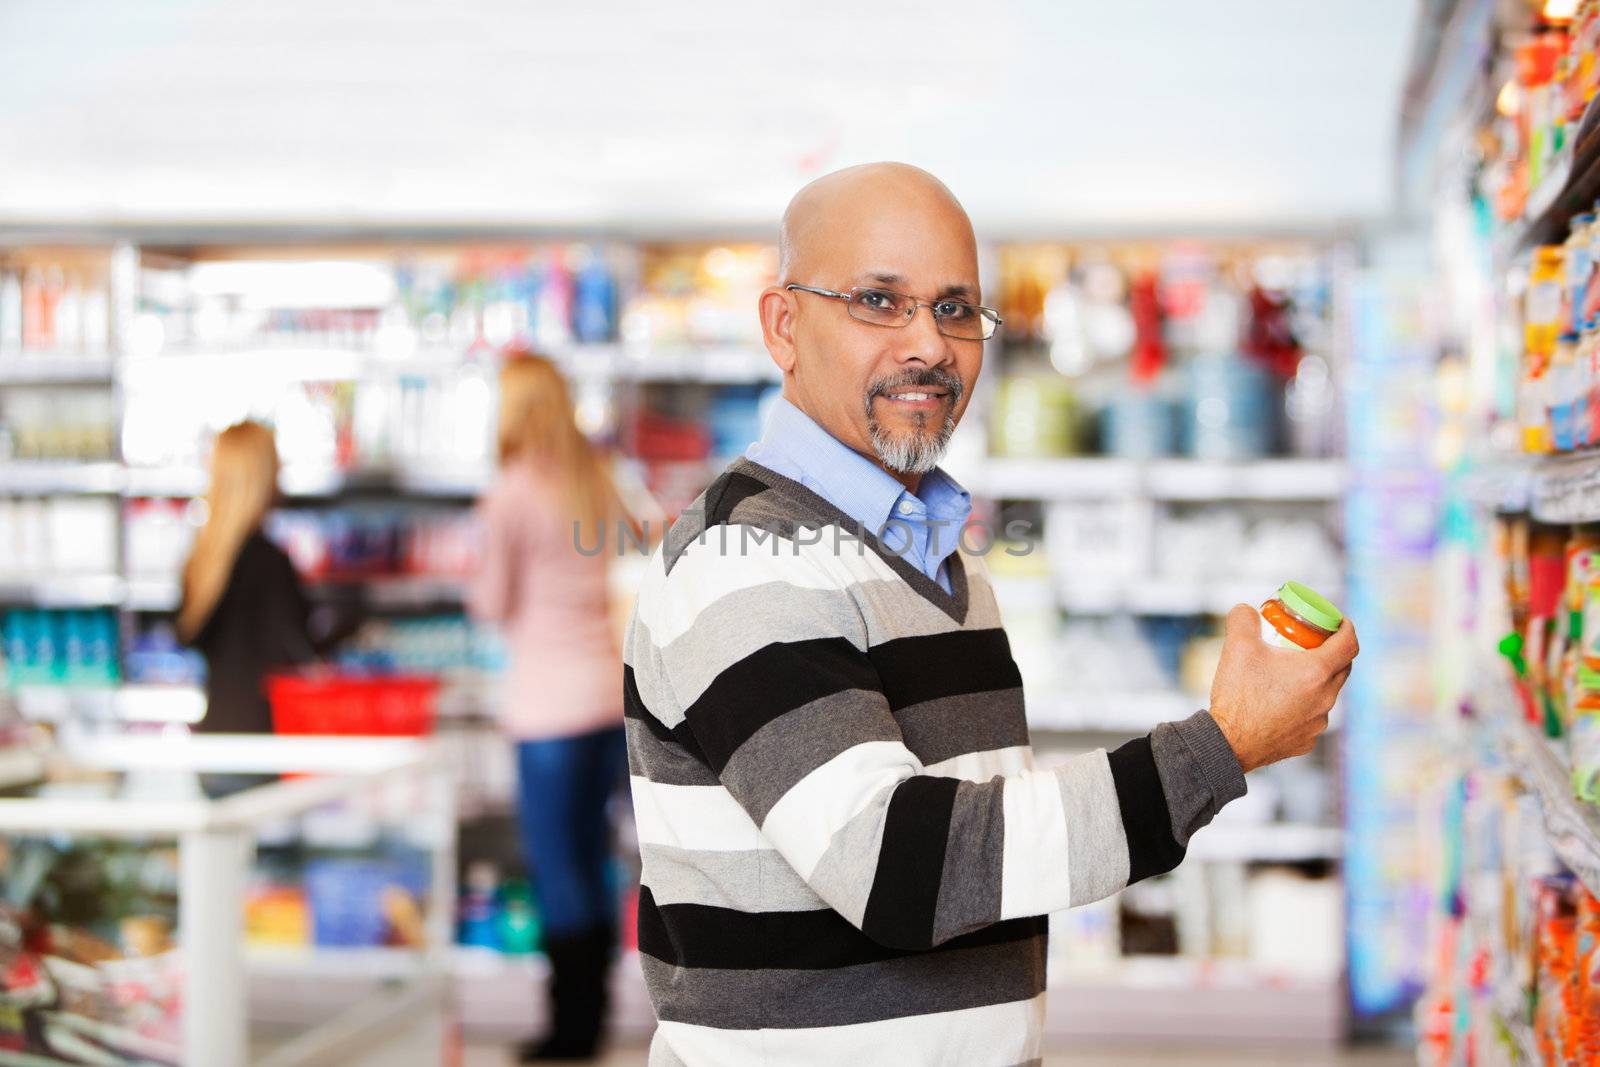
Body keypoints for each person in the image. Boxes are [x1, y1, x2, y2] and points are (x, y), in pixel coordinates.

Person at [623, 163, 1359, 1066]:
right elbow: (902, 866)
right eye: (877, 302)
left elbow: (976, 843)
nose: (927, 344)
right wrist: (1223, 744)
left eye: (956, 309)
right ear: (784, 324)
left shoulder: (942, 556)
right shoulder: (744, 558)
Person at [469, 352, 630, 1063]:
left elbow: (490, 602)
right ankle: (595, 1016)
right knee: (596, 858)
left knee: (557, 867)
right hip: (607, 694)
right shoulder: (597, 478)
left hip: (546, 707)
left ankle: (568, 1033)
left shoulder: (511, 493)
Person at [177, 420, 318, 735]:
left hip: (216, 736)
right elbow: (297, 651)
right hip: (265, 740)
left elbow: (187, 637)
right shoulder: (270, 562)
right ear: (263, 475)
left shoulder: (202, 561)